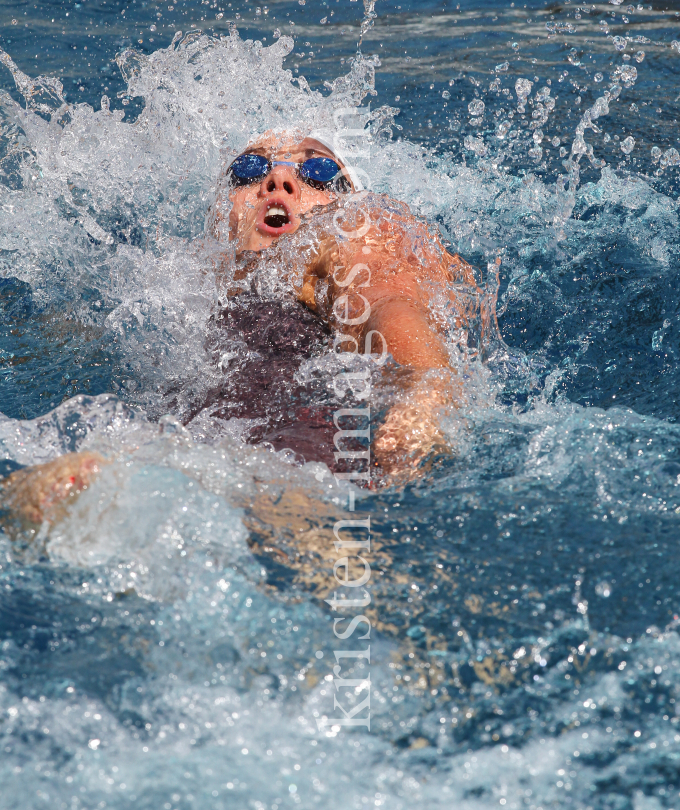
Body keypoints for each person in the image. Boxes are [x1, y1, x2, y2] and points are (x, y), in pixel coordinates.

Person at [1, 128, 490, 526]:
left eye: (318, 173)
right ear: (220, 215)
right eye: (248, 169)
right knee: (37, 492)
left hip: (302, 468)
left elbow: (390, 304)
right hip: (178, 451)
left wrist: (424, 393)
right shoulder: (178, 281)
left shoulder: (342, 244)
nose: (278, 179)